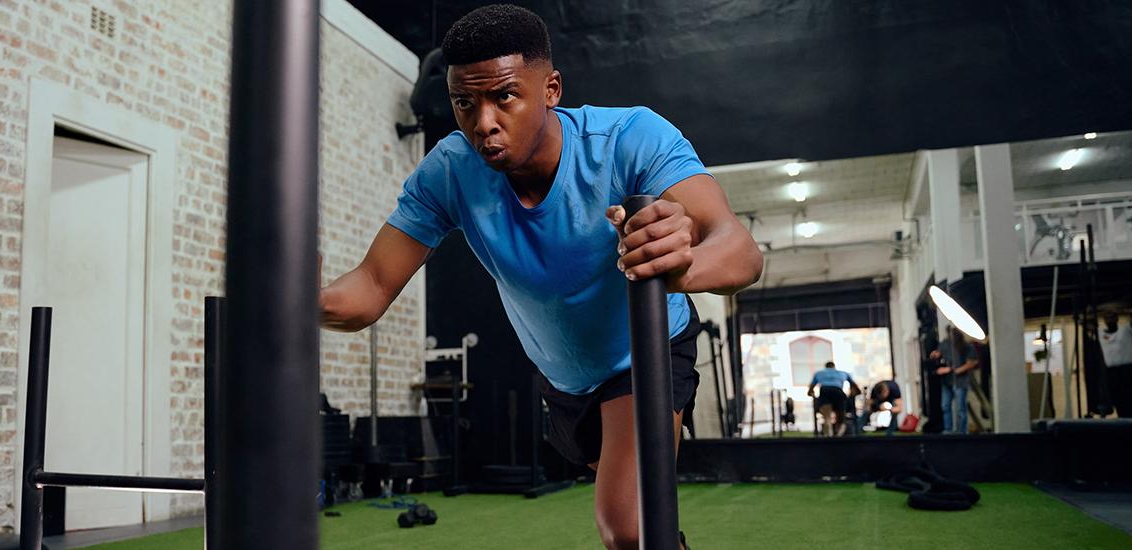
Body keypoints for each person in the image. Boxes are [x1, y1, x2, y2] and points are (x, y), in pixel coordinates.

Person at [317, 5, 762, 548]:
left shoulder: (628, 139)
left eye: (504, 96)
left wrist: (682, 263)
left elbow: (740, 252)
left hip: (646, 354)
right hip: (565, 382)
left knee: (627, 528)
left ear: (551, 89)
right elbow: (370, 288)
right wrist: (297, 301)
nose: (483, 123)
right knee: (644, 528)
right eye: (464, 102)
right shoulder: (450, 170)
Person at [1099, 308, 1132, 418]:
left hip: (1126, 371)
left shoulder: (1125, 330)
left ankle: (1131, 425)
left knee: (1129, 404)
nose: (1110, 319)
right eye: (1107, 317)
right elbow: (1083, 322)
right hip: (1111, 372)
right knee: (1118, 403)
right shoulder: (1100, 333)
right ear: (1104, 320)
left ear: (1117, 318)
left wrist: (1122, 309)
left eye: (1112, 316)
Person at [935, 329, 982, 434]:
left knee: (960, 408)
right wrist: (936, 355)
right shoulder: (945, 344)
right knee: (945, 405)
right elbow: (939, 354)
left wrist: (956, 370)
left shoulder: (966, 346)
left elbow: (972, 362)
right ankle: (948, 430)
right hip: (947, 381)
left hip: (960, 381)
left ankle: (962, 431)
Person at [807, 361, 862, 437]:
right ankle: (838, 435)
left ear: (826, 367)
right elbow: (854, 385)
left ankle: (828, 436)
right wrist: (855, 393)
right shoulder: (843, 373)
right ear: (834, 367)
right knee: (841, 416)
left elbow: (811, 388)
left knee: (827, 417)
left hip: (825, 391)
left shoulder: (819, 373)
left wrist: (811, 393)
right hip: (838, 392)